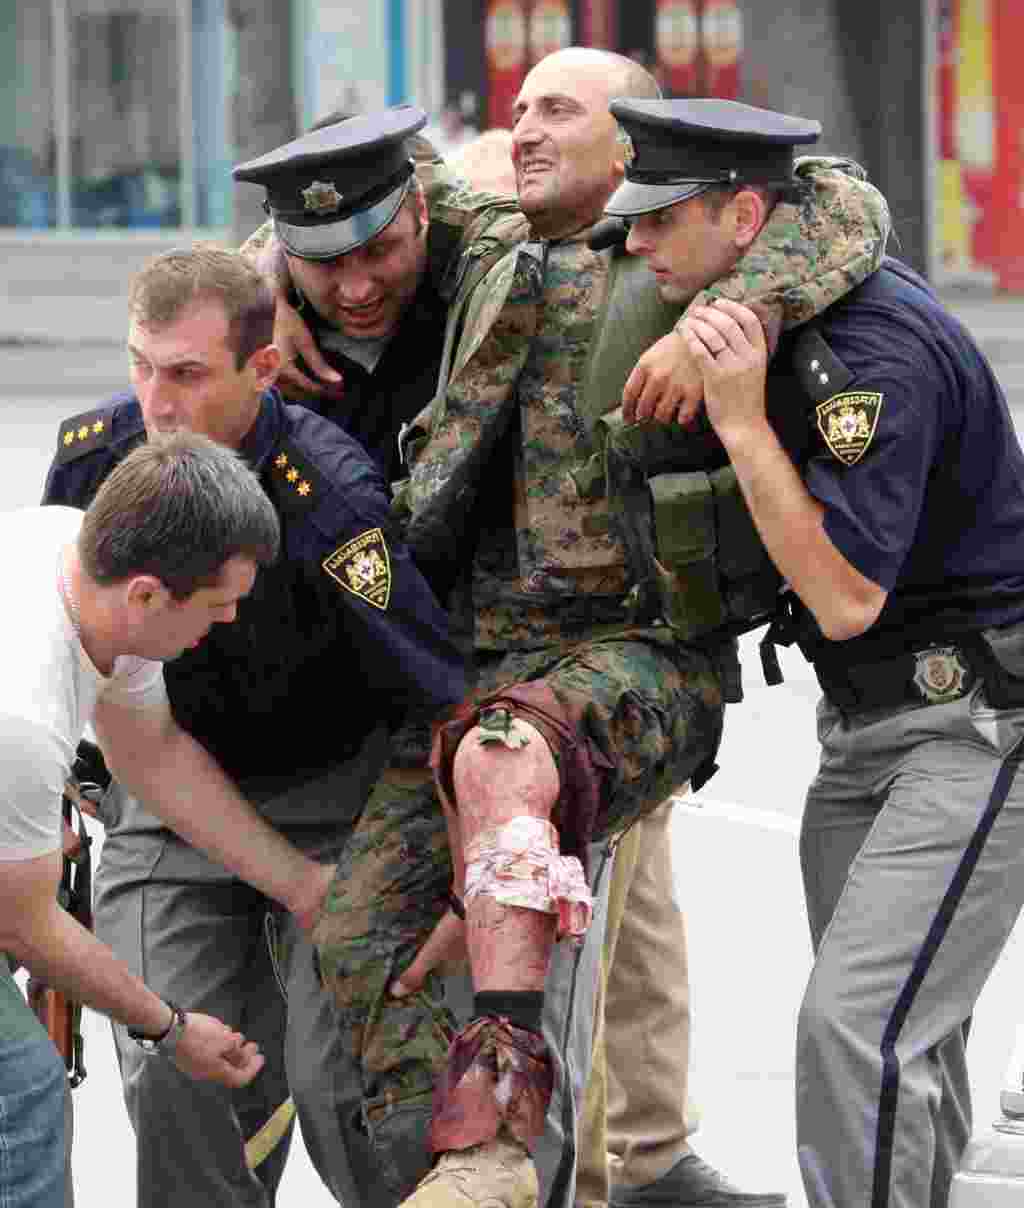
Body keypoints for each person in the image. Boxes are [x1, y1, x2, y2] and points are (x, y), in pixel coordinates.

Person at [298, 49, 890, 1208]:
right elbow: (360, 206)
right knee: (360, 926)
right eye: (517, 108)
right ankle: (462, 1166)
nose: (521, 128)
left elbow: (847, 202)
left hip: (634, 658)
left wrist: (732, 311)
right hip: (479, 668)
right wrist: (273, 262)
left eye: (556, 111)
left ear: (633, 150)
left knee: (525, 791)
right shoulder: (483, 229)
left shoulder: (687, 254)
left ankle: (513, 1116)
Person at [607, 95, 1024, 1208]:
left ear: (744, 216)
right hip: (864, 735)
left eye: (658, 220)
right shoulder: (768, 306)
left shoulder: (869, 345)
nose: (635, 243)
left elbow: (842, 595)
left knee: (855, 1031)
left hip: (971, 728)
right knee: (904, 1044)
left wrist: (741, 419)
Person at [41, 244, 465, 1208]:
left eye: (187, 374)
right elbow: (69, 653)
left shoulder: (332, 497)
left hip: (339, 799)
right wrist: (65, 799)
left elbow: (436, 697)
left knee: (344, 1088)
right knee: (171, 1066)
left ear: (261, 367)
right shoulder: (93, 460)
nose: (156, 400)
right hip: (165, 799)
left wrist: (462, 869)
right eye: (141, 365)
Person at [1, 431, 285, 1208]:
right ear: (149, 596)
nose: (227, 622)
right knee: (19, 1093)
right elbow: (27, 928)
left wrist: (305, 887)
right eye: (219, 603)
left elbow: (150, 754)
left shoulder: (73, 549)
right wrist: (169, 1026)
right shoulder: (21, 713)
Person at [234, 106, 528, 483]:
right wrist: (262, 301)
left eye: (378, 251)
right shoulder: (256, 340)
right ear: (287, 251)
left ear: (421, 209)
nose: (357, 291)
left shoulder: (475, 282)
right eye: (326, 262)